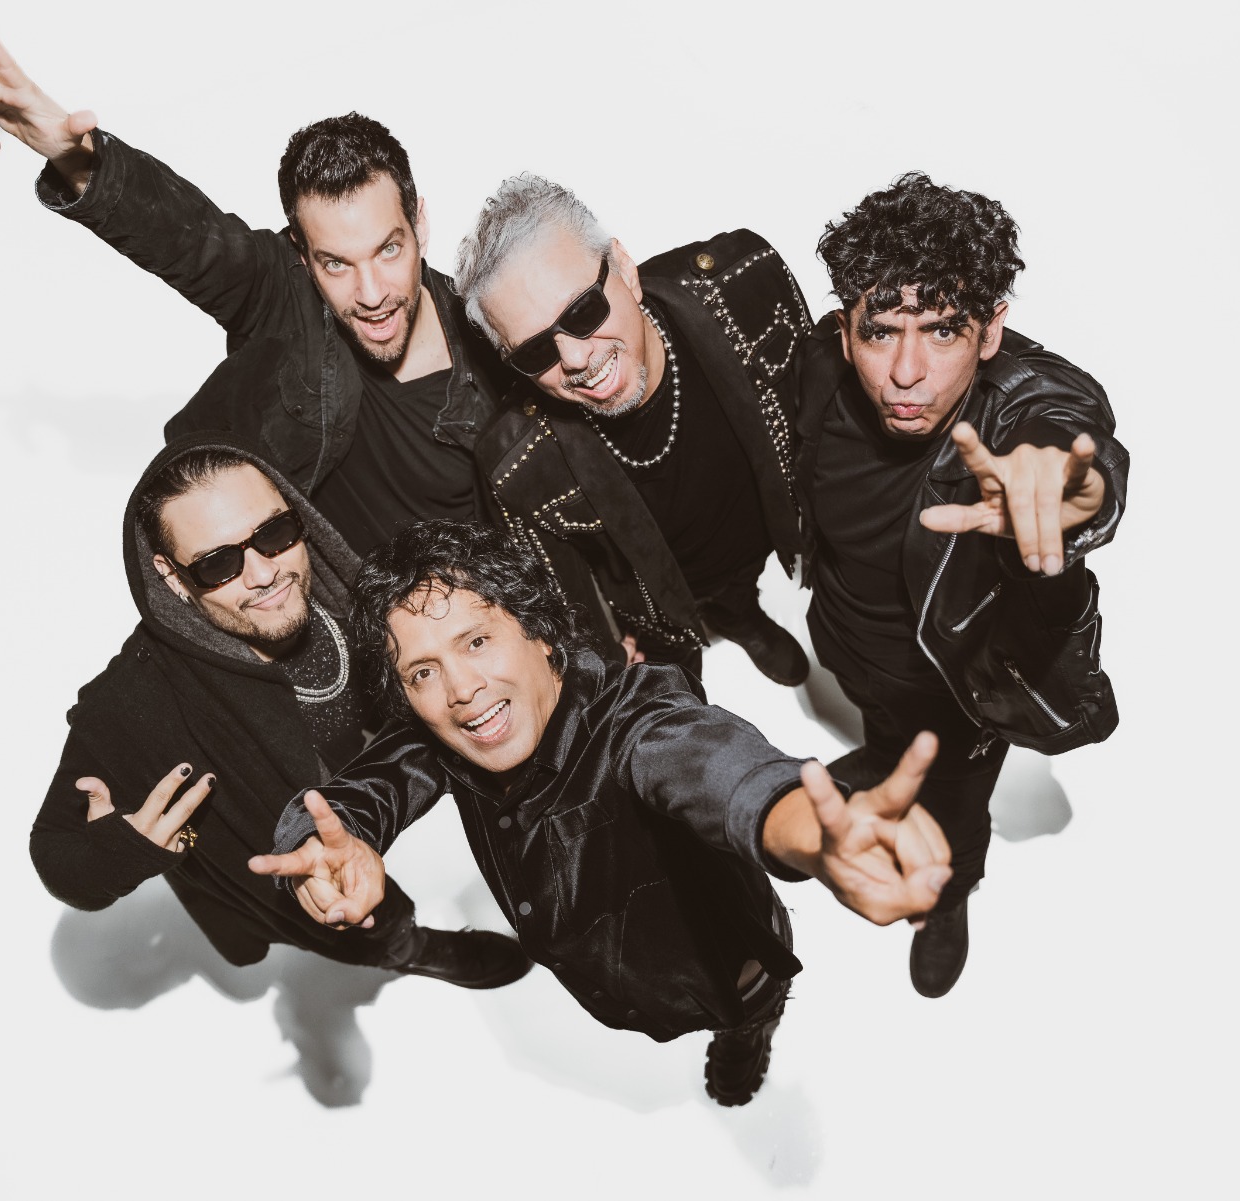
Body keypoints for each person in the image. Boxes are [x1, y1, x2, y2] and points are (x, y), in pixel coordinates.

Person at [248, 521, 952, 1106]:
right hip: (612, 982)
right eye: (422, 672)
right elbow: (363, 792)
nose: (460, 689)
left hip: (726, 971)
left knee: (747, 1013)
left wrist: (808, 829)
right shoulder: (448, 735)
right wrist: (321, 837)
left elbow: (711, 764)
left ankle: (747, 1040)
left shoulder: (633, 723)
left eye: (476, 641)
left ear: (539, 632)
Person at [0, 22, 508, 558]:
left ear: (419, 223)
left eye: (389, 249)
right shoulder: (284, 298)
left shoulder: (499, 344)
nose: (372, 293)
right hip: (307, 613)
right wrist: (79, 159)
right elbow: (188, 237)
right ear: (302, 256)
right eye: (336, 264)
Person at [31, 432, 530, 990]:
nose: (264, 573)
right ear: (172, 576)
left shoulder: (358, 582)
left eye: (273, 534)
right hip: (309, 864)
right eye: (218, 563)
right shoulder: (134, 701)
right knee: (356, 914)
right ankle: (413, 950)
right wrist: (126, 850)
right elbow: (56, 853)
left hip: (401, 781)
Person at [796, 172, 1128, 998]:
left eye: (942, 330)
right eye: (881, 332)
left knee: (955, 802)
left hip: (957, 690)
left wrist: (1066, 487)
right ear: (846, 333)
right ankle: (882, 755)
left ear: (990, 332)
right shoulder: (816, 376)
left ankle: (949, 894)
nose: (906, 371)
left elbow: (1064, 426)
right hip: (849, 646)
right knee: (885, 734)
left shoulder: (1016, 413)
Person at [459, 175, 813, 685]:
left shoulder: (744, 283)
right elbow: (561, 596)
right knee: (672, 680)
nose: (574, 358)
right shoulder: (517, 466)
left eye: (582, 311)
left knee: (738, 591)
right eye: (535, 351)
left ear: (625, 268)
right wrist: (605, 657)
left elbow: (824, 412)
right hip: (654, 610)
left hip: (759, 539)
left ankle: (741, 617)